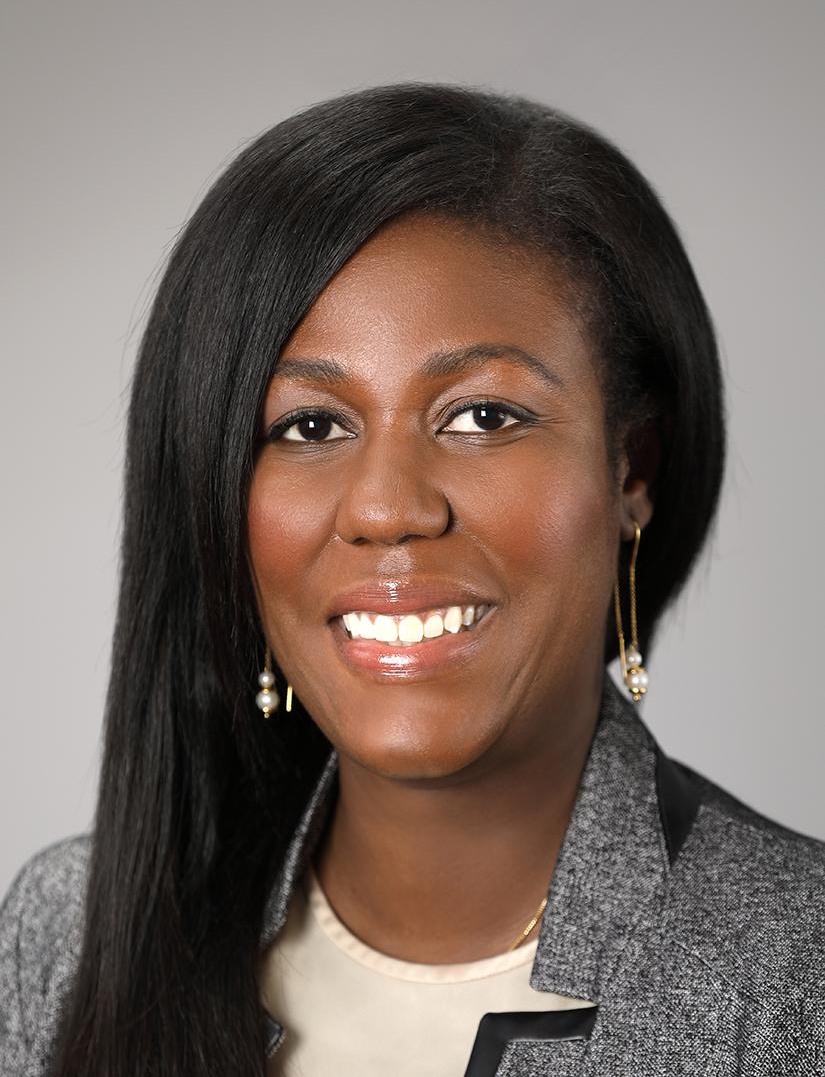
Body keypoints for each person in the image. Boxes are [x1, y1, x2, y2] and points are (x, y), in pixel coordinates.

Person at [1, 82, 823, 1077]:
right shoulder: (65, 938)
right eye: (309, 426)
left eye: (482, 417)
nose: (388, 507)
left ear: (631, 472)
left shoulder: (792, 969)